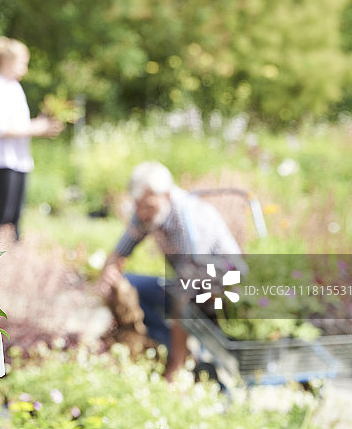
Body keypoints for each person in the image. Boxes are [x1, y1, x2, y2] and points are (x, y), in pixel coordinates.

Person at [99, 161, 244, 381]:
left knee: (179, 299)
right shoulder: (147, 212)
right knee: (127, 284)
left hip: (220, 288)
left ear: (166, 195)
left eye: (148, 207)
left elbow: (190, 286)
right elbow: (119, 252)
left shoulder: (190, 219)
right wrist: (109, 273)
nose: (142, 213)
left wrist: (175, 366)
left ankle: (178, 363)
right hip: (185, 282)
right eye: (138, 206)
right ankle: (162, 345)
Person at [0, 37, 62, 241]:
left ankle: (12, 253)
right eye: (22, 62)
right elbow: (2, 129)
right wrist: (38, 128)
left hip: (20, 158)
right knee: (3, 217)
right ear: (7, 61)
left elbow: (21, 123)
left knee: (16, 219)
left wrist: (43, 123)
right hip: (3, 159)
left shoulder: (15, 87)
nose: (25, 68)